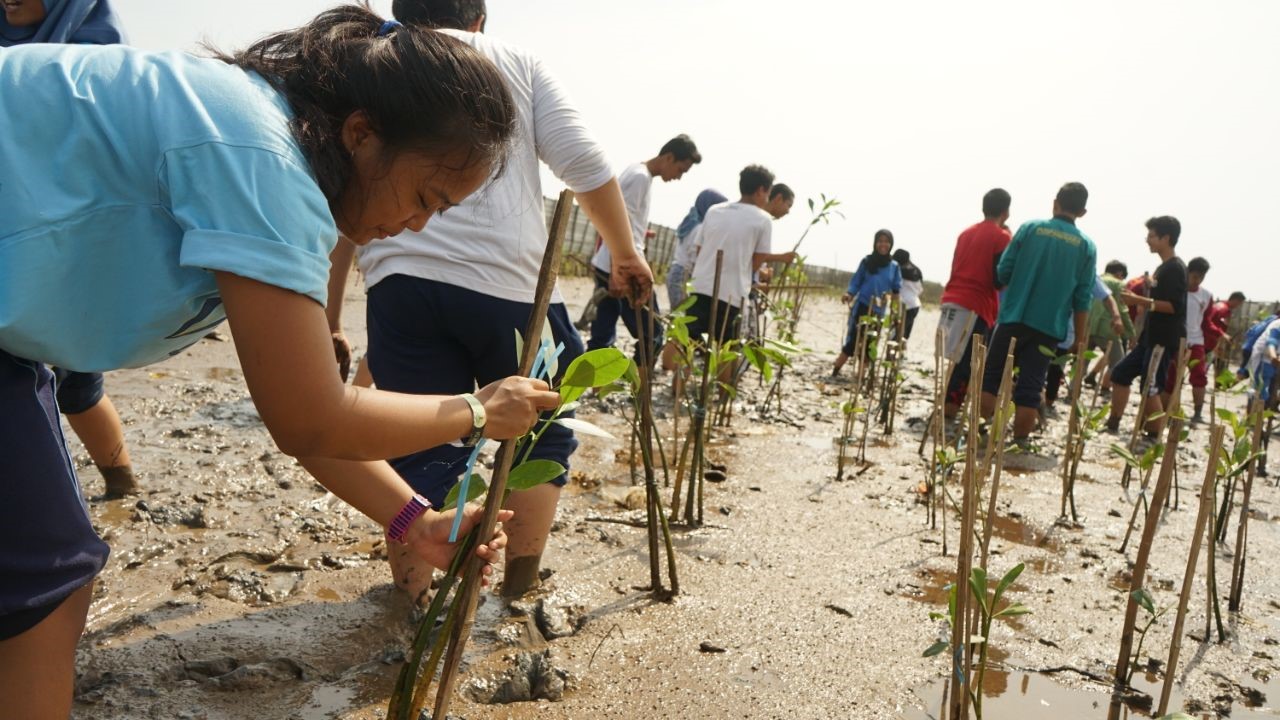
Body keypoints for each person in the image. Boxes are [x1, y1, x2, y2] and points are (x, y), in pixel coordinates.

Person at [0, 9, 556, 716]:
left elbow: (300, 411)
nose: (415, 226)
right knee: (47, 582)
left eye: (437, 214)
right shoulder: (260, 158)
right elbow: (312, 418)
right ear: (362, 133)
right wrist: (477, 410)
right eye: (424, 198)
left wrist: (415, 522)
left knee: (40, 577)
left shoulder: (266, 147)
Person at [327, 0, 658, 600]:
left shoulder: (374, 63)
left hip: (399, 283)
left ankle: (413, 599)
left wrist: (330, 317)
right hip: (511, 286)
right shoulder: (514, 61)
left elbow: (342, 203)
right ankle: (516, 589)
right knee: (542, 431)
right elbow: (584, 163)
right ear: (478, 20)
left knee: (413, 437)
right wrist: (625, 253)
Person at [2, 0, 141, 499]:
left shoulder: (101, 60)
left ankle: (121, 485)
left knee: (78, 387)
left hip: (72, 249)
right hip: (9, 244)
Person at [978, 182, 1098, 448]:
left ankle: (978, 437)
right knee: (1031, 388)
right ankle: (1020, 445)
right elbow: (1082, 299)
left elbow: (1003, 272)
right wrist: (1080, 339)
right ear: (1082, 212)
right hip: (1048, 328)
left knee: (991, 378)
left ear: (1055, 203)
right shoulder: (1086, 246)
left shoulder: (1030, 228)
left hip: (1013, 317)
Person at [587, 134, 701, 362]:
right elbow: (615, 223)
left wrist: (641, 234)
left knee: (603, 334)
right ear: (668, 158)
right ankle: (640, 384)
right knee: (653, 334)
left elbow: (624, 221)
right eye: (680, 170)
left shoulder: (640, 174)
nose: (678, 177)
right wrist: (617, 271)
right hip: (623, 269)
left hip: (612, 265)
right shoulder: (639, 178)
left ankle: (596, 382)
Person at [684, 165, 796, 353]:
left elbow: (700, 249)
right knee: (726, 350)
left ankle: (675, 374)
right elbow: (755, 263)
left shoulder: (714, 210)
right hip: (731, 294)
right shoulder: (763, 220)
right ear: (761, 191)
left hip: (700, 287)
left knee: (688, 345)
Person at [1106, 216, 1187, 438]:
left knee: (1150, 385)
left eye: (1151, 236)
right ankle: (1113, 422)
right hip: (1149, 337)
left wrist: (1138, 300)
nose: (1147, 240)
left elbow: (1174, 306)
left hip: (1163, 338)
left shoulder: (1175, 269)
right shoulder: (1163, 268)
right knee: (1120, 373)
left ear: (1166, 238)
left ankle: (1154, 437)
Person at [937, 189, 1013, 417]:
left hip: (951, 300)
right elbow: (999, 279)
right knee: (967, 364)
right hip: (975, 305)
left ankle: (944, 409)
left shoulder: (966, 233)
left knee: (952, 359)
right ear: (1006, 212)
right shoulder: (1002, 237)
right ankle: (949, 412)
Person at [832, 229, 901, 376]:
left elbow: (896, 291)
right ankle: (836, 369)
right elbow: (856, 281)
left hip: (879, 311)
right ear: (875, 243)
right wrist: (849, 294)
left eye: (886, 241)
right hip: (862, 306)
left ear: (891, 244)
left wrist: (895, 312)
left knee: (871, 344)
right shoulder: (867, 261)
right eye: (880, 241)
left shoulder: (894, 267)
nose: (883, 244)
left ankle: (861, 376)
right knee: (854, 339)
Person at [1163, 256, 1213, 422]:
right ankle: (1166, 412)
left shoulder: (1206, 296)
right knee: (1171, 377)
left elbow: (1206, 321)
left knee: (1199, 377)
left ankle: (1197, 412)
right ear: (1187, 273)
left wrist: (1217, 334)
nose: (1197, 280)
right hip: (1176, 340)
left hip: (1196, 342)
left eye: (1201, 277)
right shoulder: (1178, 292)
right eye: (1195, 276)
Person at [668, 189, 728, 311]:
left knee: (678, 315)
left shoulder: (690, 223)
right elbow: (695, 257)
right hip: (683, 275)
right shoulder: (699, 228)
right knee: (682, 316)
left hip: (676, 272)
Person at [1083, 260, 1136, 391]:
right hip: (1107, 329)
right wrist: (1132, 334)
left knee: (1081, 362)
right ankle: (1106, 387)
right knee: (1118, 362)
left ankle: (1073, 391)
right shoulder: (1118, 284)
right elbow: (1123, 311)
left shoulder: (1093, 279)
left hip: (1086, 326)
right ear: (1120, 274)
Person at [1203, 290, 1245, 377]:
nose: (1238, 306)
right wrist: (1221, 338)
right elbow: (1212, 324)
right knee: (1211, 364)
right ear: (1235, 300)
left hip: (1206, 340)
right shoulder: (1224, 310)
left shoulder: (1218, 305)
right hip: (1210, 341)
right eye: (1239, 303)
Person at [892, 248, 923, 344]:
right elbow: (920, 289)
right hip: (915, 304)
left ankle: (894, 352)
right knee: (905, 334)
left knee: (897, 334)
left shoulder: (899, 270)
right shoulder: (916, 270)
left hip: (905, 305)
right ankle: (900, 351)